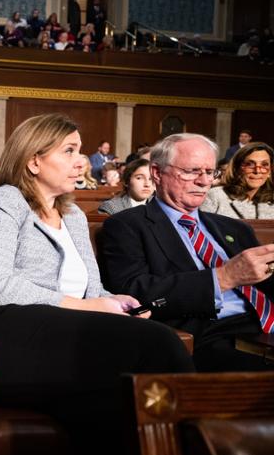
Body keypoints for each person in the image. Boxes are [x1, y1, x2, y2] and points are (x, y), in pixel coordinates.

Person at [0, 113, 194, 455]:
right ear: (34, 160)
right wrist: (85, 308)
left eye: (80, 150)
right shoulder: (3, 202)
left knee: (117, 394)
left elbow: (91, 289)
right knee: (159, 342)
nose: (80, 160)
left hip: (57, 333)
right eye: (69, 151)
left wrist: (114, 302)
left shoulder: (73, 214)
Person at [101, 133, 274, 372]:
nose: (204, 182)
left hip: (265, 327)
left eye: (210, 172)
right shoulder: (127, 225)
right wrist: (223, 278)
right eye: (192, 171)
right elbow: (137, 294)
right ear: (157, 173)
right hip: (210, 336)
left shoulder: (234, 228)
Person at [201, 142, 274, 219]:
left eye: (264, 165)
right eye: (250, 164)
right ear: (237, 168)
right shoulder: (215, 196)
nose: (257, 171)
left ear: (270, 171)